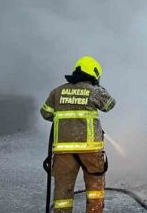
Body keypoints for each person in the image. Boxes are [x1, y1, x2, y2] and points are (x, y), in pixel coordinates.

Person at [40, 56, 116, 213]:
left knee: (62, 194)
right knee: (95, 190)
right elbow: (110, 104)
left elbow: (45, 113)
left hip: (64, 152)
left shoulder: (57, 91)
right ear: (94, 74)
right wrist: (97, 86)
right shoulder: (94, 91)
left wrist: (66, 118)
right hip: (90, 150)